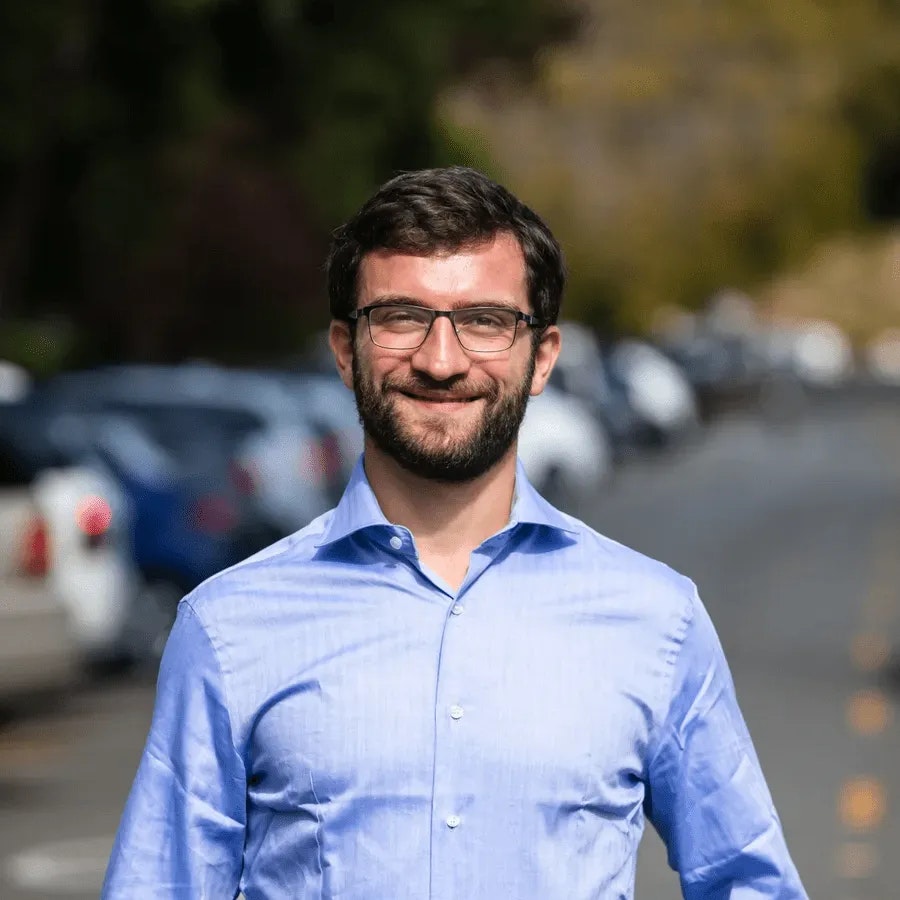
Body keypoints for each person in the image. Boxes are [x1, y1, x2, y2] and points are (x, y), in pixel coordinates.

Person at [103, 166, 807, 899]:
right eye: (403, 316)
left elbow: (748, 883)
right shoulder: (226, 629)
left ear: (542, 357)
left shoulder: (658, 621)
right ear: (346, 350)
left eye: (484, 321)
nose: (442, 361)